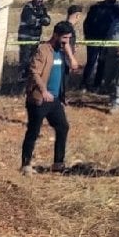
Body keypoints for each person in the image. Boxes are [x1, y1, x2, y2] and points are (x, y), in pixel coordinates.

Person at [22, 21, 78, 175]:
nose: (67, 41)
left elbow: (74, 66)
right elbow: (34, 72)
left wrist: (68, 51)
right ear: (56, 35)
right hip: (40, 99)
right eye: (64, 38)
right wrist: (43, 90)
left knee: (63, 127)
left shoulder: (63, 52)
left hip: (55, 100)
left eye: (69, 38)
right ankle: (26, 164)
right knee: (33, 131)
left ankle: (58, 163)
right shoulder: (43, 50)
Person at [82, 0, 118, 91]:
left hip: (107, 39)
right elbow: (87, 23)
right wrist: (87, 36)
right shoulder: (96, 7)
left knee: (103, 62)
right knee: (91, 61)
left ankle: (97, 85)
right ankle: (85, 83)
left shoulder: (117, 8)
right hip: (94, 38)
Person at [18, 0, 51, 85]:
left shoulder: (42, 8)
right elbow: (30, 21)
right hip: (25, 39)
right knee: (24, 60)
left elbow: (48, 20)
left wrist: (41, 20)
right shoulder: (28, 7)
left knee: (32, 60)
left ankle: (29, 80)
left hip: (35, 39)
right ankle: (21, 80)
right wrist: (41, 20)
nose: (40, 0)